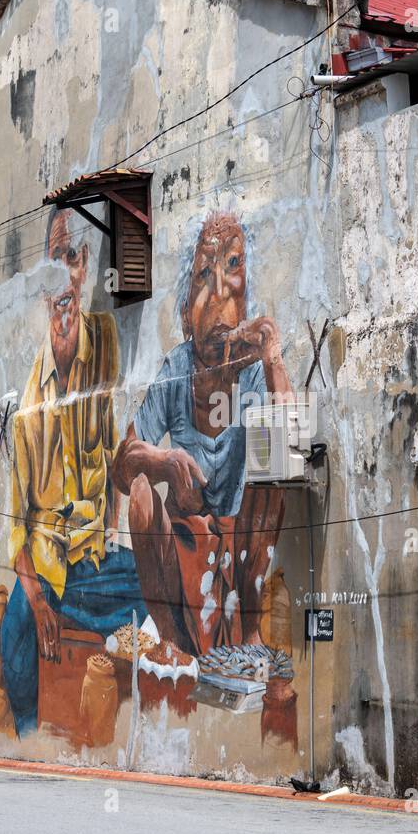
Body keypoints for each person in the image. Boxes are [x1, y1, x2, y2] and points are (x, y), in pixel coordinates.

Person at [112, 212, 290, 656]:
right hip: (184, 544)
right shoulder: (177, 370)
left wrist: (273, 362)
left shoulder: (252, 370)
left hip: (241, 553)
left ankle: (250, 634)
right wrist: (161, 461)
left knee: (273, 483)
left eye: (233, 267)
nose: (219, 291)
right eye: (204, 275)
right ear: (188, 309)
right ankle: (170, 638)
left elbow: (290, 445)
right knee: (138, 493)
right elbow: (121, 466)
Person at [0, 210, 147, 735]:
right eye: (54, 262)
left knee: (158, 587)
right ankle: (27, 738)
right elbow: (16, 527)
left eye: (72, 258)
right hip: (45, 567)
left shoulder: (105, 343)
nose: (64, 275)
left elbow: (117, 453)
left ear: (84, 269)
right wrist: (36, 597)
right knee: (12, 644)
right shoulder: (25, 411)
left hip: (94, 557)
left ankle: (114, 669)